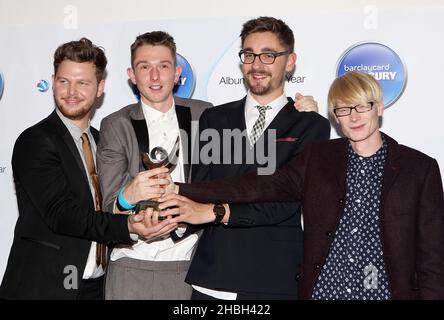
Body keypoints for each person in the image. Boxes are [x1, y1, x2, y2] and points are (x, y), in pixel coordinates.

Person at [161, 71, 444, 300]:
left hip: (382, 293)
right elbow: (257, 186)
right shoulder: (319, 158)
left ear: (378, 106)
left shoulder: (419, 169)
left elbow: (432, 257)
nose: (354, 117)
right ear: (335, 116)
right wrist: (181, 189)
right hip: (323, 292)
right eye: (344, 109)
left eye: (362, 106)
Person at [159, 17, 330, 300]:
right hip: (213, 275)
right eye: (249, 54)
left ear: (290, 61)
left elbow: (287, 201)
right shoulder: (214, 118)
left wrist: (217, 212)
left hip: (274, 276)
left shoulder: (311, 126)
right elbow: (201, 188)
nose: (257, 64)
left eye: (268, 55)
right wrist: (172, 213)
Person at [0, 38, 176, 300]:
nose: (71, 91)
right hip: (44, 285)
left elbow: (111, 202)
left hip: (97, 285)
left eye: (82, 83)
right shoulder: (35, 141)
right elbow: (62, 215)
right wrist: (129, 225)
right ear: (53, 81)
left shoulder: (104, 140)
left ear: (100, 87)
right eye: (64, 81)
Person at [96, 31, 213, 300]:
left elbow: (245, 154)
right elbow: (110, 203)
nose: (155, 76)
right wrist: (129, 197)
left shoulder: (206, 114)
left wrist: (294, 109)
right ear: (131, 75)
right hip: (130, 265)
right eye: (144, 67)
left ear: (177, 73)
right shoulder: (116, 124)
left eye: (163, 66)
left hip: (190, 266)